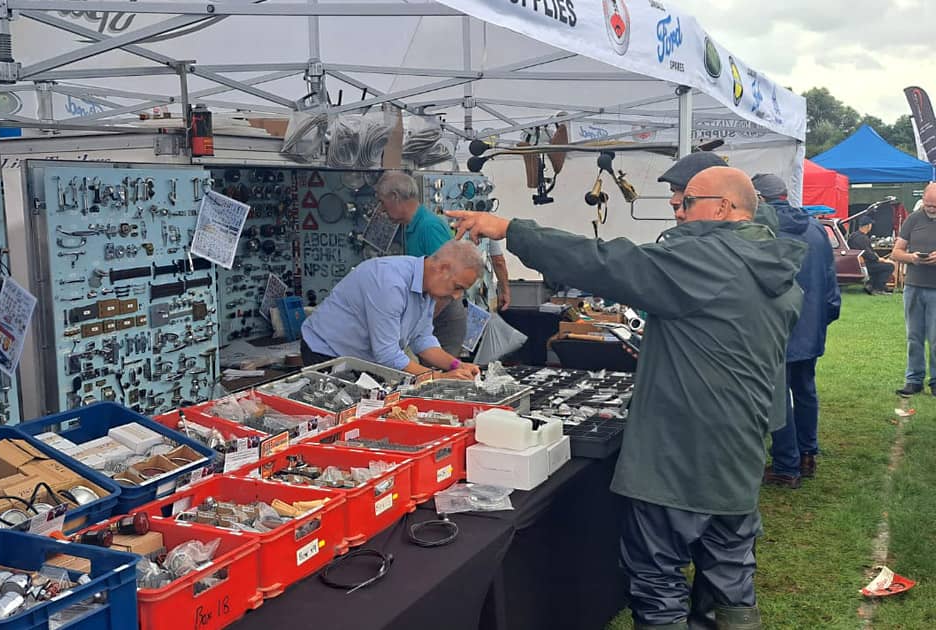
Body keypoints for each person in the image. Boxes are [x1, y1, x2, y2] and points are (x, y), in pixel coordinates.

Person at [449, 167, 805, 630]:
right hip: (739, 447)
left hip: (681, 452)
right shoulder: (772, 264)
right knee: (730, 575)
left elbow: (605, 262)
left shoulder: (707, 261)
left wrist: (512, 230)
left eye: (687, 202)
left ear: (723, 208)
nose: (677, 212)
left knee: (657, 578)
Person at [753, 174, 841, 488]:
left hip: (778, 326)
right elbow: (831, 283)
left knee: (778, 397)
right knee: (805, 390)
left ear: (759, 199)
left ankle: (786, 465)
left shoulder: (762, 231)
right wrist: (824, 319)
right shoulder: (817, 228)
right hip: (811, 324)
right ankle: (807, 455)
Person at [299, 239, 484, 379]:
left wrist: (456, 366)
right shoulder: (389, 283)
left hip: (362, 357)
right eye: (458, 287)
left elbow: (422, 339)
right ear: (443, 268)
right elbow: (387, 355)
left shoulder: (429, 288)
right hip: (326, 352)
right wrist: (439, 379)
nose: (457, 296)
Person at [375, 171, 468, 355]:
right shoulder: (409, 228)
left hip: (442, 315)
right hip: (429, 314)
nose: (382, 209)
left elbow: (449, 285)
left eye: (382, 202)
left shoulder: (429, 227)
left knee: (440, 376)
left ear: (394, 197)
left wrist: (419, 323)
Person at [658, 151, 778, 231]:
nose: (673, 201)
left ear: (722, 206)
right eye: (673, 191)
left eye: (685, 192)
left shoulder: (735, 251)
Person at [892, 183, 936, 395]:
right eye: (928, 204)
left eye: (935, 206)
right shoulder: (913, 219)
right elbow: (895, 252)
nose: (931, 208)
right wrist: (912, 258)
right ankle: (914, 379)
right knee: (914, 336)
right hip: (914, 287)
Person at [848, 216, 895, 294]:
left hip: (856, 263)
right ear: (868, 226)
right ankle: (879, 288)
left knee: (880, 265)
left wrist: (877, 258)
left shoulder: (853, 236)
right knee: (889, 266)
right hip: (865, 264)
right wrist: (879, 259)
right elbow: (868, 254)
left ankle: (872, 285)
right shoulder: (862, 238)